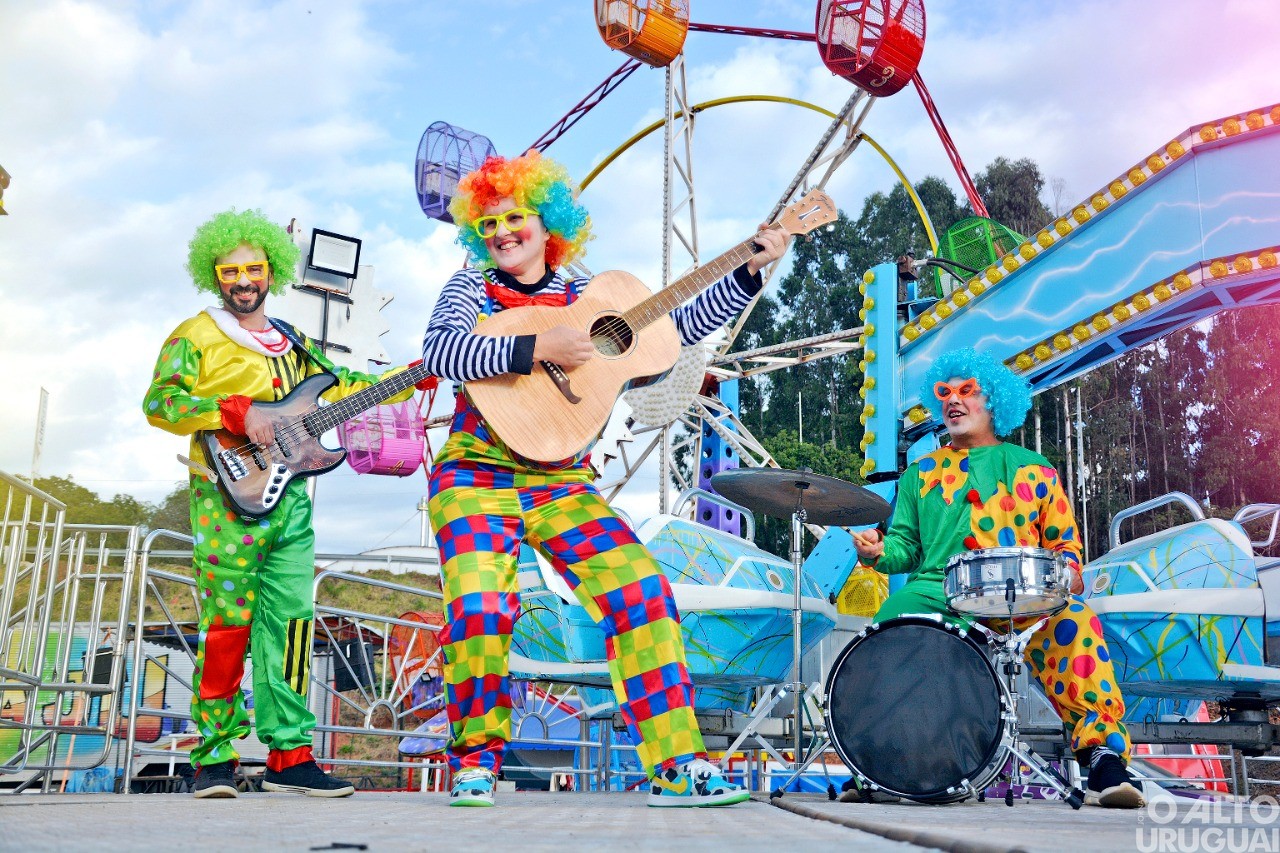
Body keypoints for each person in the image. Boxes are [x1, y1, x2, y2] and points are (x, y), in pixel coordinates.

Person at [420, 150, 789, 807]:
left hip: (563, 480)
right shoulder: (470, 287)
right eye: (490, 222)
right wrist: (536, 349)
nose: (502, 231)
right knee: (481, 605)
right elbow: (443, 350)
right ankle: (475, 759)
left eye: (517, 217)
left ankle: (676, 764)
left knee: (644, 595)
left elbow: (671, 333)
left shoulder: (591, 294)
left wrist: (747, 277)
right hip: (475, 472)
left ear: (548, 224)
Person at [143, 209, 416, 799]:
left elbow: (337, 381)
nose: (243, 280)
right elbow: (160, 402)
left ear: (272, 271)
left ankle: (290, 757)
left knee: (291, 627)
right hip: (224, 494)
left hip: (290, 500)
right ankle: (213, 756)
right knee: (226, 626)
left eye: (254, 268)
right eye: (230, 270)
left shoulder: (291, 340)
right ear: (213, 274)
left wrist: (406, 377)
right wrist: (236, 411)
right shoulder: (195, 334)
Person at [851, 347, 1145, 809]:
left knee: (1076, 622)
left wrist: (1064, 581)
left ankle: (1103, 757)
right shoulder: (919, 474)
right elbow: (904, 546)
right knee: (891, 622)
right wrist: (877, 552)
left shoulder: (1036, 469)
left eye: (967, 390)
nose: (953, 400)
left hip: (1024, 597)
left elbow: (1067, 551)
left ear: (994, 401)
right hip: (940, 591)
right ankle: (884, 760)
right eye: (944, 392)